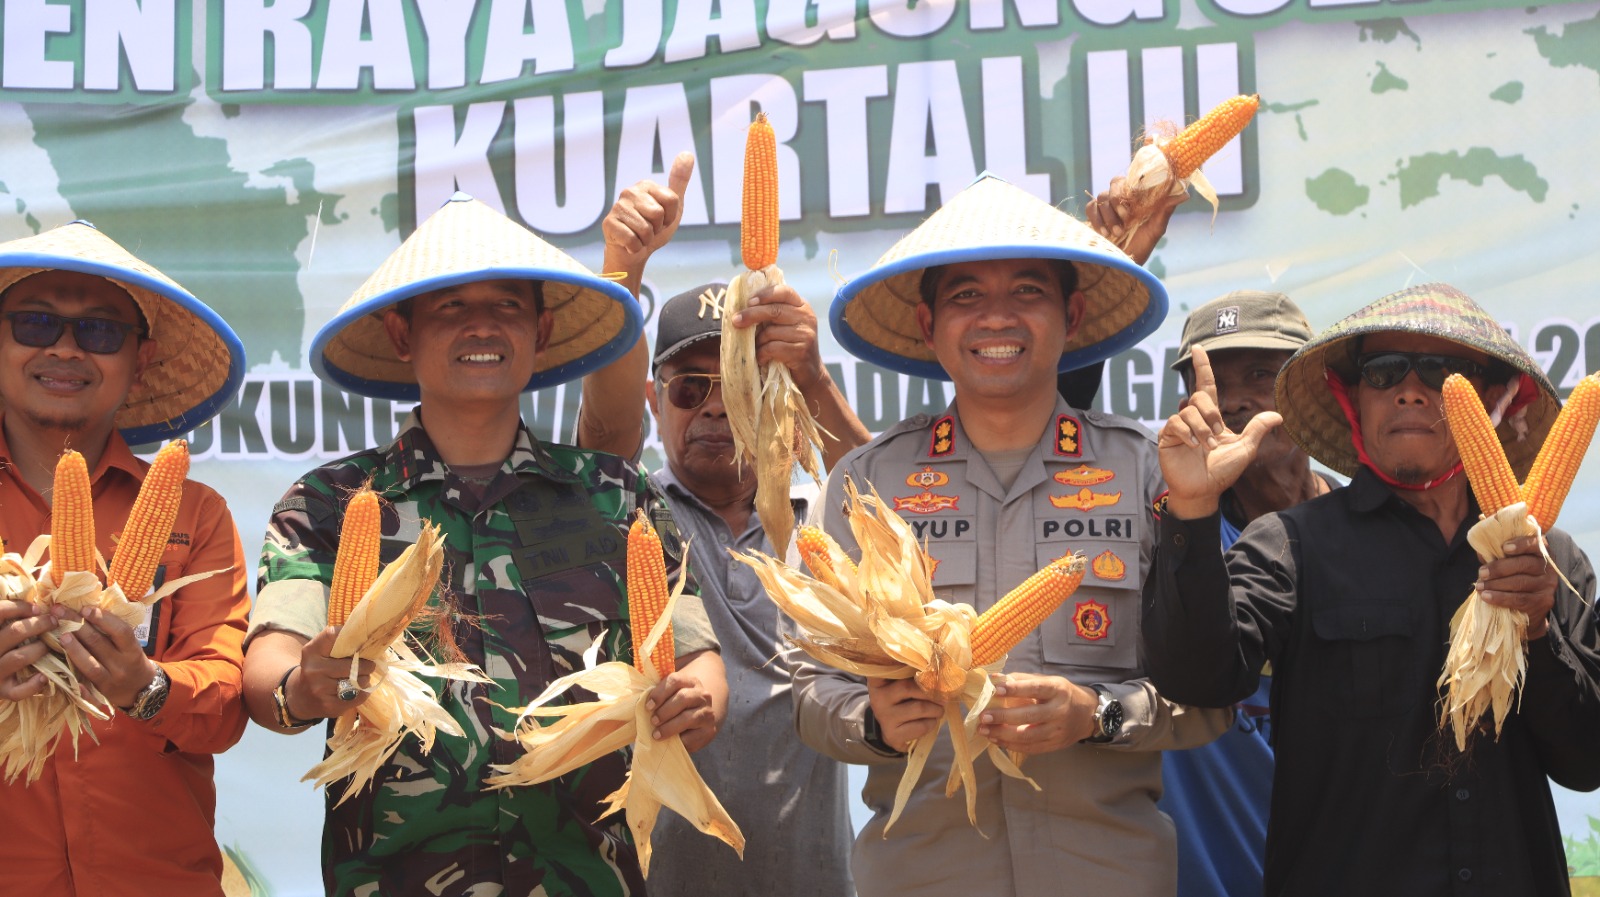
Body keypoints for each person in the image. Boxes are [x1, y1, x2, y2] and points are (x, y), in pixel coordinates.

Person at [243, 192, 726, 896]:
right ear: (402, 334)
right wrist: (301, 685)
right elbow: (269, 671)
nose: (481, 325)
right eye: (449, 307)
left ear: (541, 328)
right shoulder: (330, 504)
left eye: (505, 306)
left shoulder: (618, 496)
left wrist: (698, 700)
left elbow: (697, 657)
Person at [799, 173, 1232, 897]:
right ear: (927, 325)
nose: (997, 318)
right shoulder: (862, 486)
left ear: (1073, 314)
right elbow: (806, 686)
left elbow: (1213, 692)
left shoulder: (1152, 475)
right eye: (966, 296)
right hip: (921, 878)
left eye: (1027, 292)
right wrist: (871, 721)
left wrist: (1095, 715)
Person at [1144, 282, 1600, 895]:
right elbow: (1198, 679)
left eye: (1442, 372)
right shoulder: (1290, 546)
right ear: (1353, 398)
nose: (1410, 389)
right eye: (1384, 372)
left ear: (1495, 398)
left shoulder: (1553, 561)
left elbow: (1586, 762)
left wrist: (1539, 629)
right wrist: (1194, 509)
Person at [0, 221, 250, 896]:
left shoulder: (193, 513)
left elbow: (226, 702)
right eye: (33, 323)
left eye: (100, 331)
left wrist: (146, 687)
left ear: (140, 359)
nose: (65, 348)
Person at [643, 277, 870, 896]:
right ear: (652, 403)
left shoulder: (827, 523)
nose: (716, 407)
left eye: (742, 384)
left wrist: (815, 380)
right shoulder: (625, 520)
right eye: (692, 387)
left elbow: (905, 521)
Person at [1156, 290, 1332, 897]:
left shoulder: (1374, 531)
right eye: (1213, 384)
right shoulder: (1163, 529)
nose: (1234, 401)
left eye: (1262, 374)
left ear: (1316, 391)